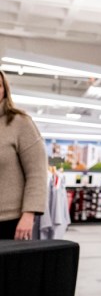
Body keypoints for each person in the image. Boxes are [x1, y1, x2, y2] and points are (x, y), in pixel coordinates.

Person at [0, 70, 47, 240]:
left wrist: (29, 214)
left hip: (11, 222)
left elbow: (37, 173)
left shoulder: (20, 123)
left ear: (4, 90)